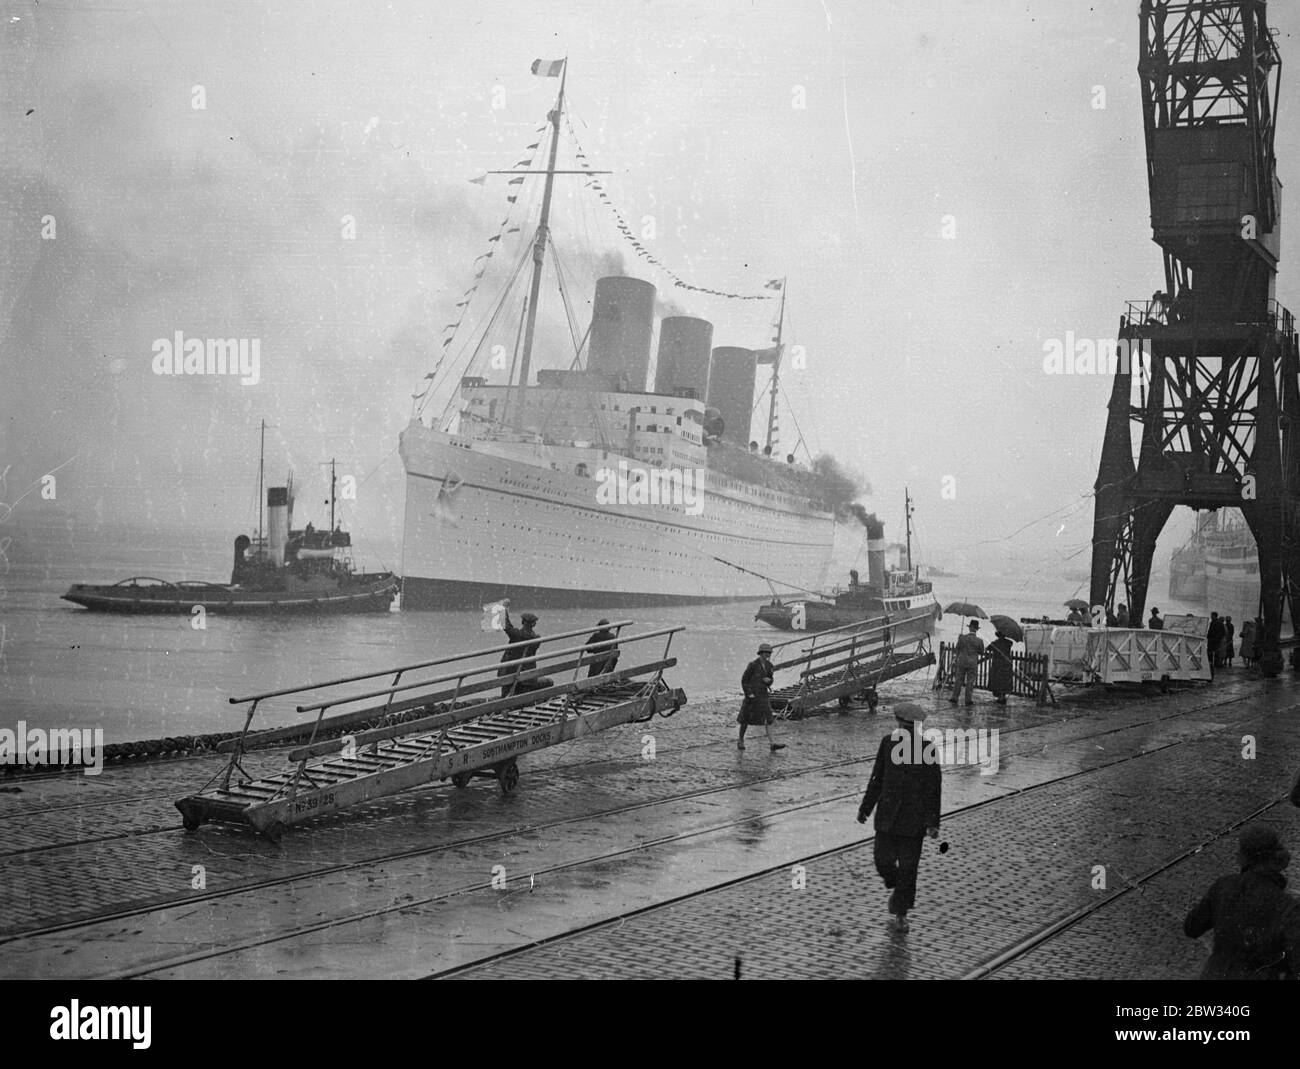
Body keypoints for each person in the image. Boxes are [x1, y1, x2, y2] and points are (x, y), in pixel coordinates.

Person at [857, 702, 942, 934]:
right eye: (903, 727)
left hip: (914, 822)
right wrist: (865, 808)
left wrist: (933, 823)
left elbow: (934, 788)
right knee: (882, 862)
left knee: (908, 869)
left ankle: (901, 914)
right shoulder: (887, 744)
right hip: (887, 818)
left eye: (909, 728)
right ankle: (896, 885)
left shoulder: (927, 749)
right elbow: (877, 778)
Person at [1184, 826, 1299, 979]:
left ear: (1242, 857)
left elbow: (1191, 927)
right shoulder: (1287, 906)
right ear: (1278, 859)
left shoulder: (1223, 886)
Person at [738, 643, 785, 753]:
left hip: (763, 695)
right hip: (752, 696)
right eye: (765, 653)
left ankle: (772, 743)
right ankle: (740, 740)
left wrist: (769, 681)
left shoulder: (769, 666)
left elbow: (770, 678)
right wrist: (749, 693)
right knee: (745, 719)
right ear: (760, 653)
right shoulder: (753, 665)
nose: (767, 655)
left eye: (768, 653)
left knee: (769, 719)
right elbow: (744, 680)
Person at [498, 609, 542, 698]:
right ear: (534, 624)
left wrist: (505, 611)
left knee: (506, 694)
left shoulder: (516, 634)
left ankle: (505, 705)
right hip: (527, 674)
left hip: (510, 671)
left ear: (522, 622)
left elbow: (507, 626)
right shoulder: (537, 639)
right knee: (522, 696)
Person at [949, 620, 984, 707]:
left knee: (958, 680)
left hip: (962, 661)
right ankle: (968, 700)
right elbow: (981, 652)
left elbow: (957, 648)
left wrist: (959, 639)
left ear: (970, 628)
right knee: (970, 681)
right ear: (976, 629)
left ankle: (954, 697)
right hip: (972, 663)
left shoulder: (962, 638)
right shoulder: (979, 641)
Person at [984, 630, 1014, 705]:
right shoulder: (1009, 643)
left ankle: (1000, 697)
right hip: (1006, 664)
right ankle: (1002, 696)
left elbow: (987, 648)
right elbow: (1010, 643)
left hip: (997, 665)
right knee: (1004, 680)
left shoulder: (995, 643)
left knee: (998, 681)